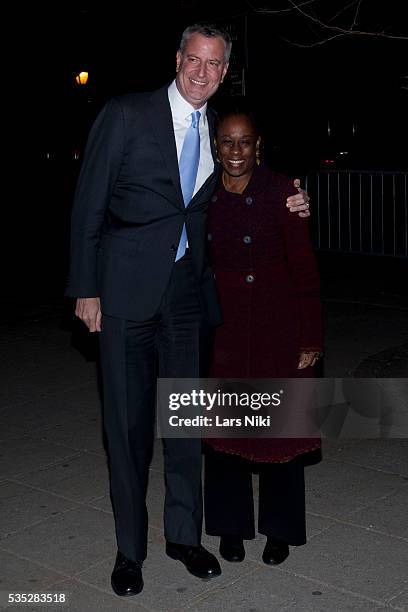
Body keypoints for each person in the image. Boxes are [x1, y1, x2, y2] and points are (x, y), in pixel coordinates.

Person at [65, 24, 310, 597]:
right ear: (177, 60)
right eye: (193, 60)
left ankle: (183, 536)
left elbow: (249, 186)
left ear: (226, 72)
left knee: (186, 427)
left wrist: (295, 197)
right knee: (127, 431)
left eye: (214, 64)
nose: (202, 72)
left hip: (184, 303)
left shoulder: (215, 130)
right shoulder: (127, 114)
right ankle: (130, 551)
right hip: (123, 297)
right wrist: (86, 289)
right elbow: (88, 204)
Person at [203, 103, 323, 566]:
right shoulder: (203, 193)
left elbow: (306, 270)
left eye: (245, 141)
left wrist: (310, 338)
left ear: (259, 146)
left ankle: (280, 530)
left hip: (278, 323)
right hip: (223, 326)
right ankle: (230, 528)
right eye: (228, 141)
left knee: (281, 430)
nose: (237, 150)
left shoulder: (281, 192)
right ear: (216, 146)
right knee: (223, 432)